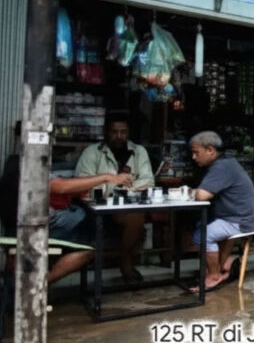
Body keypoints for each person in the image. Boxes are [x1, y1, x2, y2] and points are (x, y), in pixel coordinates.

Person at [0, 122, 134, 283]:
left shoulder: (14, 160)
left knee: (82, 214)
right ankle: (39, 286)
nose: (52, 142)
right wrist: (107, 177)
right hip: (35, 229)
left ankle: (29, 284)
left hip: (21, 226)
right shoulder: (29, 163)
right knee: (90, 245)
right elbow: (60, 187)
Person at [74, 111, 154, 284]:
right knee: (134, 214)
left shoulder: (139, 151)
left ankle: (125, 260)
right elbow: (83, 183)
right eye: (114, 132)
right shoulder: (92, 152)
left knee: (136, 214)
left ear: (129, 132)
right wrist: (116, 185)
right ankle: (126, 262)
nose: (119, 136)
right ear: (105, 132)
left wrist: (124, 189)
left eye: (123, 132)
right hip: (98, 208)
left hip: (128, 207)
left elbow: (148, 181)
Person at [188, 131, 254, 291]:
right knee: (204, 224)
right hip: (241, 216)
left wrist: (189, 191)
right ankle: (221, 266)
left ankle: (214, 275)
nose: (194, 157)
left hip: (240, 220)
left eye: (196, 152)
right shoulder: (227, 162)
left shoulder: (221, 167)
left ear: (210, 150)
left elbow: (201, 196)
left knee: (201, 236)